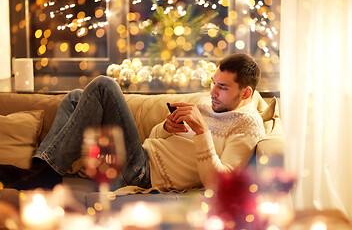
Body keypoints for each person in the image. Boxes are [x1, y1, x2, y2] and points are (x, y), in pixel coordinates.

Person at [0, 53, 265, 191]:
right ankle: (42, 169)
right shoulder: (209, 102)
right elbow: (156, 138)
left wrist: (202, 132)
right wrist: (166, 128)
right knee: (74, 98)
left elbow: (219, 185)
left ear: (245, 94)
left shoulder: (247, 126)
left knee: (104, 85)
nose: (213, 93)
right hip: (139, 156)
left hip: (143, 177)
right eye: (213, 84)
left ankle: (44, 175)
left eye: (223, 88)